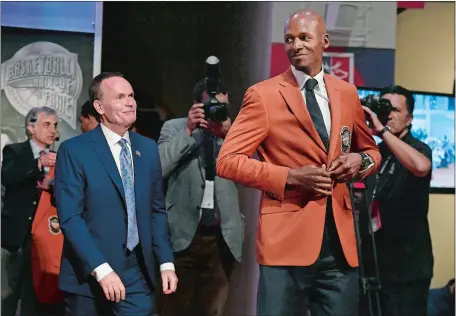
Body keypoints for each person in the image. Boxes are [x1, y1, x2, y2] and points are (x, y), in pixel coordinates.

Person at [216, 10, 381, 316]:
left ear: (325, 41)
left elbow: (372, 151)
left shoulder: (346, 93)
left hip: (339, 247)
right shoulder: (263, 95)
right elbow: (227, 161)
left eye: (304, 37)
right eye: (289, 39)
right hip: (286, 244)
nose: (295, 45)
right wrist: (289, 176)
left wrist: (360, 160)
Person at [54, 72, 178, 316]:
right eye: (120, 97)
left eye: (131, 96)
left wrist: (165, 262)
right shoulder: (74, 151)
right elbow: (70, 217)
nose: (130, 102)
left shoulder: (148, 148)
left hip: (137, 275)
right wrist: (101, 270)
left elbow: (156, 211)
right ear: (99, 107)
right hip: (89, 276)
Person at [158, 78, 244, 316]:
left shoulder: (236, 133)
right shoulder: (175, 128)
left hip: (222, 238)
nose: (215, 112)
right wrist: (188, 130)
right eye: (210, 107)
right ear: (196, 105)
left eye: (222, 107)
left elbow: (256, 170)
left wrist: (230, 135)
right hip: (181, 235)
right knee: (173, 309)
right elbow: (158, 168)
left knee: (212, 310)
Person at [362, 85, 434, 316]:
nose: (388, 115)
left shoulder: (418, 148)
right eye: (384, 109)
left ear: (409, 118)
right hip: (375, 265)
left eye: (395, 110)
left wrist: (383, 131)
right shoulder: (377, 152)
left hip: (407, 269)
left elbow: (421, 166)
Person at [1, 106, 61, 316]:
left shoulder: (59, 157)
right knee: (7, 294)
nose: (52, 130)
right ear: (30, 128)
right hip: (17, 236)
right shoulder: (15, 151)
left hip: (45, 238)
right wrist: (38, 164)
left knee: (36, 295)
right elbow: (8, 177)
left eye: (55, 125)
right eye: (46, 125)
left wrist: (53, 186)